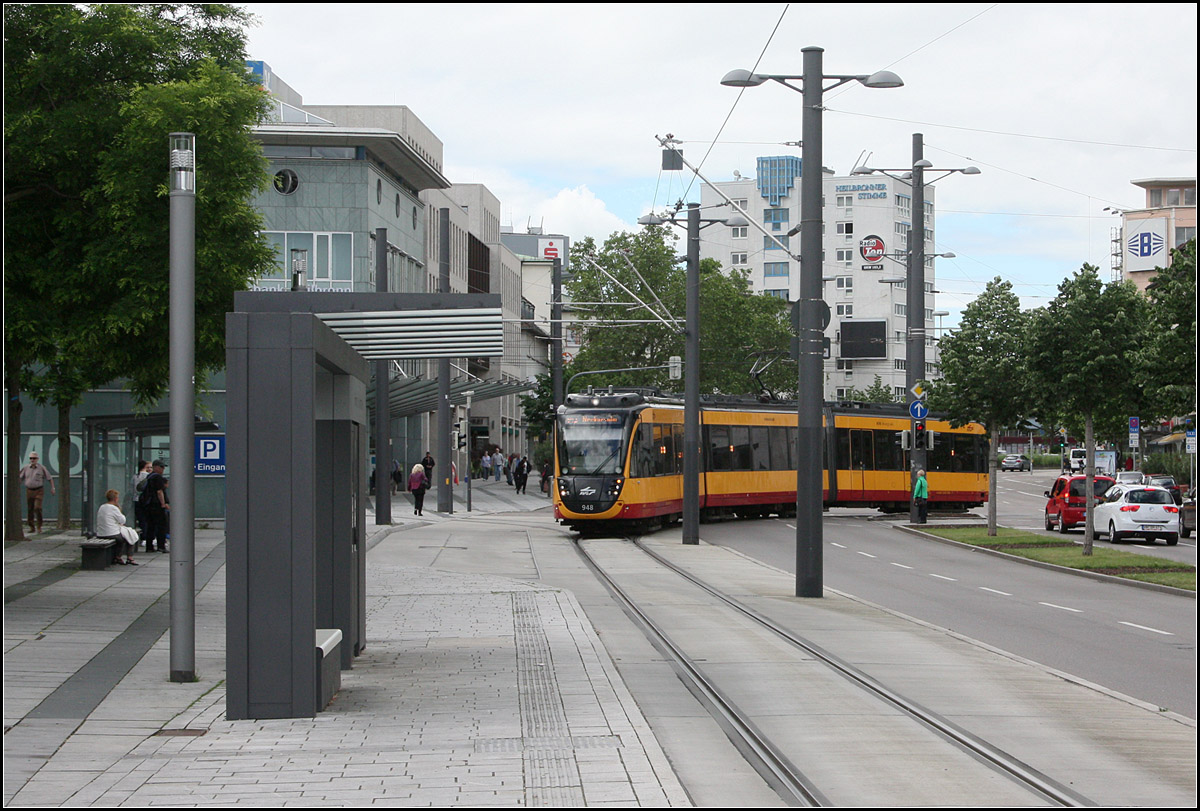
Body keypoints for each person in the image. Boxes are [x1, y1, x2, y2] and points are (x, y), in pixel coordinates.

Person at [97, 489, 138, 565]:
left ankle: (119, 557)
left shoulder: (102, 507)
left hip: (101, 533)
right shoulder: (114, 508)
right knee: (129, 536)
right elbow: (123, 520)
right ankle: (127, 557)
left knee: (125, 536)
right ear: (116, 499)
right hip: (111, 533)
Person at [18, 451, 56, 535]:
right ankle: (31, 527)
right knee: (30, 509)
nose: (32, 460)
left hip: (39, 490)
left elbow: (49, 478)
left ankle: (39, 526)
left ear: (37, 459)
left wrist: (52, 488)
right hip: (29, 490)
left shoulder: (41, 468)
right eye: (31, 458)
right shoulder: (25, 468)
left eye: (34, 458)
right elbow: (20, 478)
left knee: (37, 507)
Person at [141, 460, 170, 553]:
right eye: (161, 467)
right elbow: (159, 491)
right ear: (156, 467)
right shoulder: (157, 477)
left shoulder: (149, 476)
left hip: (148, 505)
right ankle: (161, 546)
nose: (163, 469)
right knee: (161, 526)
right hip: (156, 505)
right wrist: (163, 504)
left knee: (151, 526)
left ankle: (149, 547)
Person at [131, 459, 152, 551]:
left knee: (141, 519)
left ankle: (142, 537)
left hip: (136, 499)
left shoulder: (135, 476)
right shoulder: (147, 476)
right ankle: (146, 537)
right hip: (145, 500)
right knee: (147, 520)